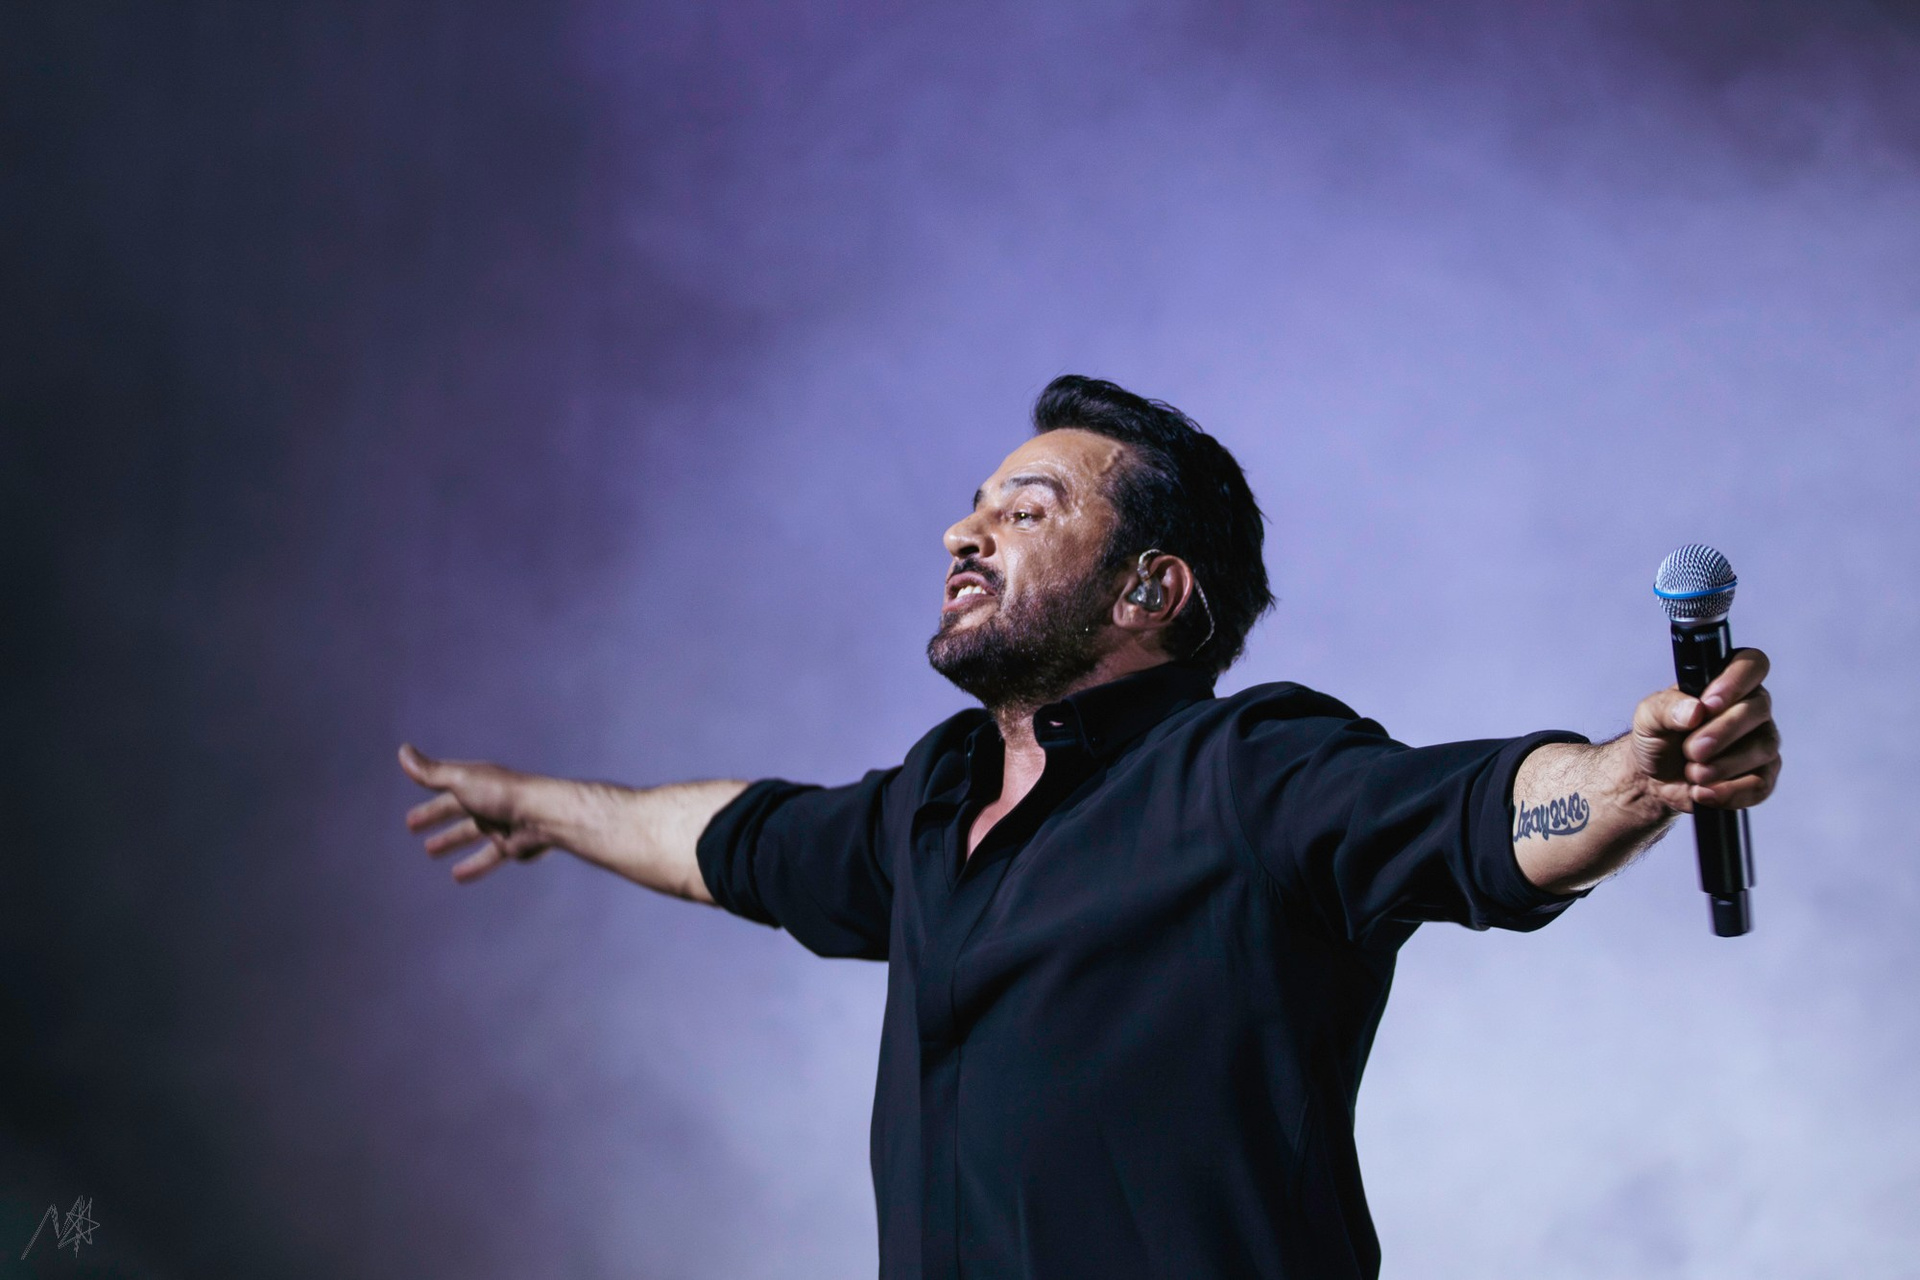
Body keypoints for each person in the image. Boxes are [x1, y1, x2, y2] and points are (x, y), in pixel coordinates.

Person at [398, 375, 1781, 1280]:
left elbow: (1483, 813)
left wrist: (1633, 778)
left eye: (1025, 509)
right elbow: (734, 843)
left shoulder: (1248, 773)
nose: (964, 531)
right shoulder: (931, 806)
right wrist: (540, 807)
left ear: (1148, 591)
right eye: (974, 505)